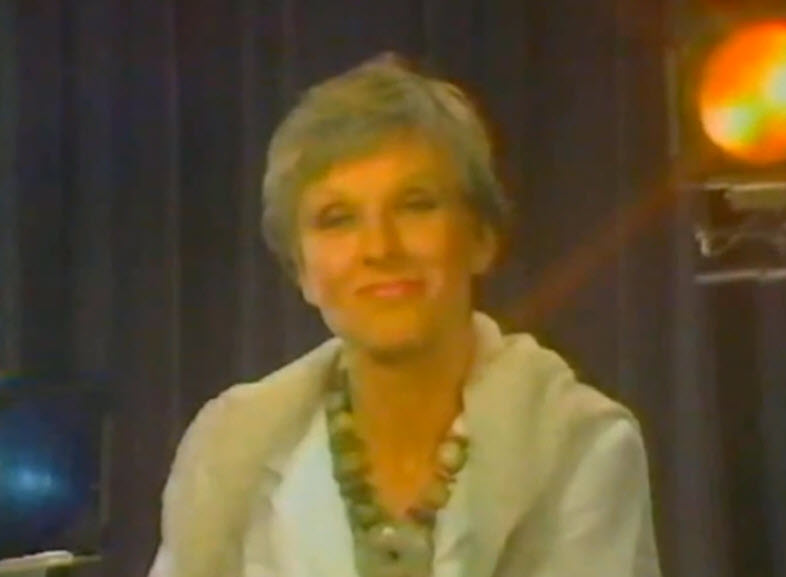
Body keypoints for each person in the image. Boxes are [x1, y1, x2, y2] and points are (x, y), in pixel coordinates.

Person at [147, 53, 661, 577]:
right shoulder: (231, 449)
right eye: (337, 219)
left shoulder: (579, 441)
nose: (379, 248)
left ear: (481, 238)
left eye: (415, 205)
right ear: (301, 270)